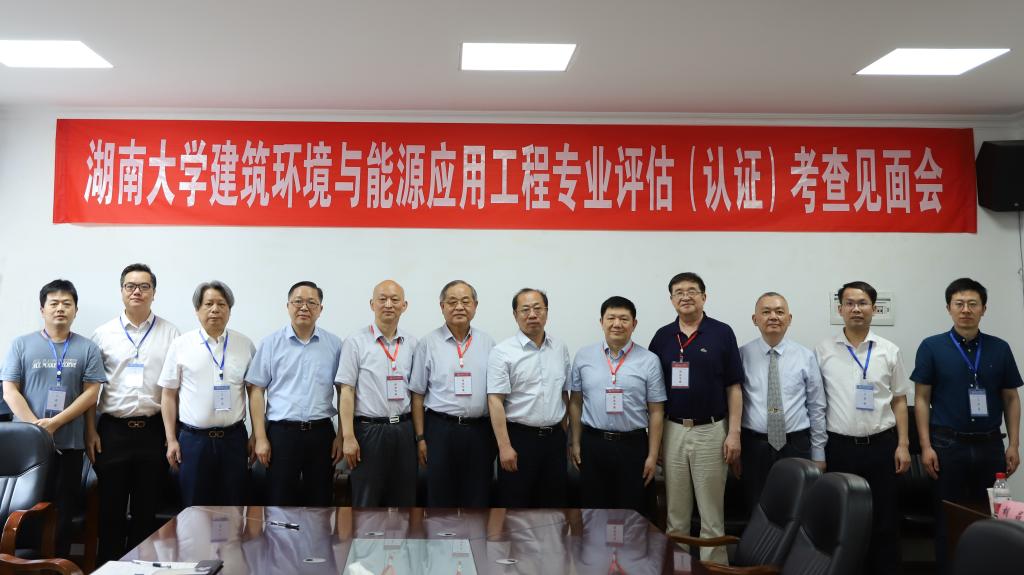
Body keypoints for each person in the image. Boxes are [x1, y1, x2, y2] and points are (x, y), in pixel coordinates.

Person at [912, 277, 1022, 574]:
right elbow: (921, 398)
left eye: (973, 304)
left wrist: (1013, 444)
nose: (965, 310)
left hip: (990, 445)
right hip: (947, 446)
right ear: (948, 308)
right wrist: (925, 446)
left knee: (992, 516)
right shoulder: (932, 346)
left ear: (984, 309)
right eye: (959, 304)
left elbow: (1011, 398)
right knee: (947, 517)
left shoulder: (999, 348)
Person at [1, 279, 106, 555]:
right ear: (42, 309)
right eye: (54, 303)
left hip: (69, 445)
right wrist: (36, 430)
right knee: (25, 510)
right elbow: (10, 390)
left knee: (63, 511)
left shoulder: (87, 348)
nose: (60, 308)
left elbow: (91, 393)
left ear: (75, 310)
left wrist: (56, 423)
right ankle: (19, 566)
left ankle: (56, 565)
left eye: (67, 303)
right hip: (25, 451)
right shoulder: (21, 344)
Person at [815, 280, 910, 575]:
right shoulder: (823, 351)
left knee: (884, 520)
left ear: (874, 308)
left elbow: (899, 400)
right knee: (840, 518)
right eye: (850, 303)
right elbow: (816, 403)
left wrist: (903, 445)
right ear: (840, 309)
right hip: (839, 447)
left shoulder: (889, 351)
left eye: (863, 303)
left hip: (882, 447)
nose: (856, 309)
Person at [647, 272, 742, 564]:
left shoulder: (722, 332)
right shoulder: (662, 336)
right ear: (671, 299)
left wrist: (734, 433)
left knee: (711, 515)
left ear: (704, 296)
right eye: (678, 292)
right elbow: (652, 395)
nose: (685, 296)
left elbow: (734, 387)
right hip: (673, 430)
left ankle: (714, 569)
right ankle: (676, 567)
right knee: (676, 514)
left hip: (711, 430)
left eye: (692, 291)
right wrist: (656, 443)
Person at [87, 263, 181, 562]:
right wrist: (90, 431)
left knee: (146, 510)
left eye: (144, 286)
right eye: (130, 286)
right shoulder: (102, 334)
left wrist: (171, 434)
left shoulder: (171, 333)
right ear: (121, 291)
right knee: (110, 509)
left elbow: (174, 390)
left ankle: (141, 566)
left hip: (153, 431)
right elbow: (91, 390)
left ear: (154, 292)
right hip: (112, 431)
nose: (137, 291)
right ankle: (109, 566)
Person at [159, 281, 256, 506]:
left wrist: (256, 436)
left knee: (233, 506)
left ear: (229, 310)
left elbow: (254, 393)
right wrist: (171, 439)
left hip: (233, 439)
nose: (215, 309)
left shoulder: (245, 345)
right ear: (197, 310)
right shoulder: (181, 345)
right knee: (194, 507)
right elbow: (168, 395)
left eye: (221, 304)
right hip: (193, 441)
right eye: (208, 304)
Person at [247, 281, 343, 506]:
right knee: (279, 501)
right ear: (288, 306)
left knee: (320, 502)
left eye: (311, 302)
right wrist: (260, 437)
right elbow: (256, 390)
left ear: (320, 309)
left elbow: (344, 391)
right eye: (298, 301)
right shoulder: (270, 343)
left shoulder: (334, 344)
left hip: (321, 434)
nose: (304, 307)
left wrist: (341, 435)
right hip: (282, 434)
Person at [568, 296, 665, 516]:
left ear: (634, 324)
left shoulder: (649, 360)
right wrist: (575, 442)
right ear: (601, 322)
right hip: (593, 443)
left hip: (633, 445)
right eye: (611, 318)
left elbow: (656, 411)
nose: (617, 324)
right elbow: (575, 402)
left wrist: (652, 455)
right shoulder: (584, 356)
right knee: (594, 509)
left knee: (633, 511)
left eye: (624, 318)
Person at [410, 280, 497, 507]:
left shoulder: (488, 343)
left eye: (465, 301)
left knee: (478, 495)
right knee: (440, 496)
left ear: (475, 306)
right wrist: (421, 438)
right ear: (442, 307)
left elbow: (496, 394)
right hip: (440, 430)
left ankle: (476, 532)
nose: (459, 307)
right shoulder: (428, 343)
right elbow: (417, 395)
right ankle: (439, 532)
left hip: (480, 431)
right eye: (452, 302)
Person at [737, 292, 826, 510]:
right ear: (755, 319)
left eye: (779, 311)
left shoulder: (805, 356)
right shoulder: (741, 356)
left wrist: (818, 452)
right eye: (766, 312)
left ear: (789, 318)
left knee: (798, 509)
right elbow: (734, 404)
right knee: (757, 507)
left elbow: (816, 407)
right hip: (754, 446)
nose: (773, 317)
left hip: (796, 445)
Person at [336, 280, 419, 507]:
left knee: (404, 499)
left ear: (404, 305)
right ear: (372, 304)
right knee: (367, 502)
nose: (388, 304)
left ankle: (403, 534)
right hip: (368, 431)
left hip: (404, 430)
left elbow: (417, 394)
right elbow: (346, 391)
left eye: (395, 299)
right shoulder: (355, 342)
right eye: (382, 299)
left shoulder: (412, 344)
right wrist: (348, 436)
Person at [487, 288, 571, 508]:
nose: (532, 314)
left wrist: (565, 435)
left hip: (554, 439)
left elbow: (564, 393)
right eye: (525, 309)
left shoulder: (560, 348)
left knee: (554, 507)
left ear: (546, 312)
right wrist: (504, 447)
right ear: (515, 315)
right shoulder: (502, 351)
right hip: (519, 439)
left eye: (537, 308)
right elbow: (495, 401)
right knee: (516, 507)